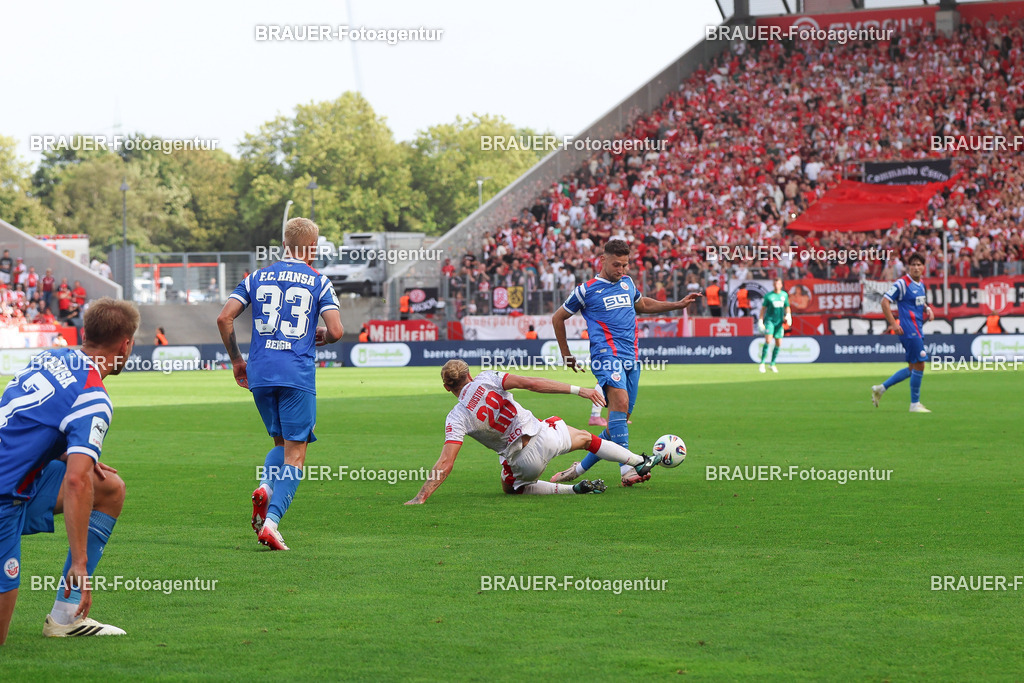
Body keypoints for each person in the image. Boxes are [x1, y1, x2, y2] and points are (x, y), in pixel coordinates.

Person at [0, 298, 138, 643]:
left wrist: (64, 454)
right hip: (5, 497)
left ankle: (66, 617)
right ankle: (73, 590)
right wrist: (80, 563)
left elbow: (26, 420)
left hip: (16, 480)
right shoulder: (94, 397)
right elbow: (76, 482)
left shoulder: (51, 356)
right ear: (126, 344)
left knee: (109, 487)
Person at [217, 217, 344, 551]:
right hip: (295, 373)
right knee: (296, 455)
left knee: (279, 442)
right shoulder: (319, 281)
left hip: (259, 373)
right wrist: (324, 337)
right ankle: (271, 523)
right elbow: (337, 330)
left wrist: (236, 360)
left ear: (285, 245)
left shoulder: (256, 276)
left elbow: (224, 317)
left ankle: (265, 486)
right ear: (312, 247)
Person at [404, 360, 664, 504]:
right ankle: (639, 461)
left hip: (524, 462)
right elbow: (532, 384)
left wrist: (422, 495)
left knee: (511, 489)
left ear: (447, 387)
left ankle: (572, 490)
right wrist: (579, 390)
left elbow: (446, 462)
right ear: (469, 375)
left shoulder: (456, 417)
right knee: (587, 438)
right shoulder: (488, 377)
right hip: (546, 435)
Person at [550, 239, 701, 486]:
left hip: (631, 358)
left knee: (617, 423)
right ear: (603, 260)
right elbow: (558, 318)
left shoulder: (628, 283)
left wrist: (678, 304)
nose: (622, 270)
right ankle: (629, 469)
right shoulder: (586, 290)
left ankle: (577, 470)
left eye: (625, 265)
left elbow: (643, 304)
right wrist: (566, 354)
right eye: (617, 265)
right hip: (605, 356)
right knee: (619, 403)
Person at [872, 253, 934, 413]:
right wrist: (893, 323)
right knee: (920, 364)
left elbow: (919, 301)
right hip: (909, 330)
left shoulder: (921, 284)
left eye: (919, 264)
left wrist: (927, 308)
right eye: (913, 264)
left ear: (923, 267)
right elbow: (884, 301)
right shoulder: (902, 283)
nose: (916, 267)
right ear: (908, 267)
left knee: (913, 368)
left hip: (917, 329)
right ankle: (914, 404)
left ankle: (881, 388)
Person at [757, 278, 791, 374]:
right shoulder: (769, 296)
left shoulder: (784, 295)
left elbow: (787, 307)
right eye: (775, 283)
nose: (777, 285)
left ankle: (772, 363)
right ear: (773, 284)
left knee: (778, 343)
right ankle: (762, 363)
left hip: (779, 323)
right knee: (768, 340)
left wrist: (788, 315)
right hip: (770, 321)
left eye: (779, 283)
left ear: (781, 285)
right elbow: (763, 309)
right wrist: (760, 320)